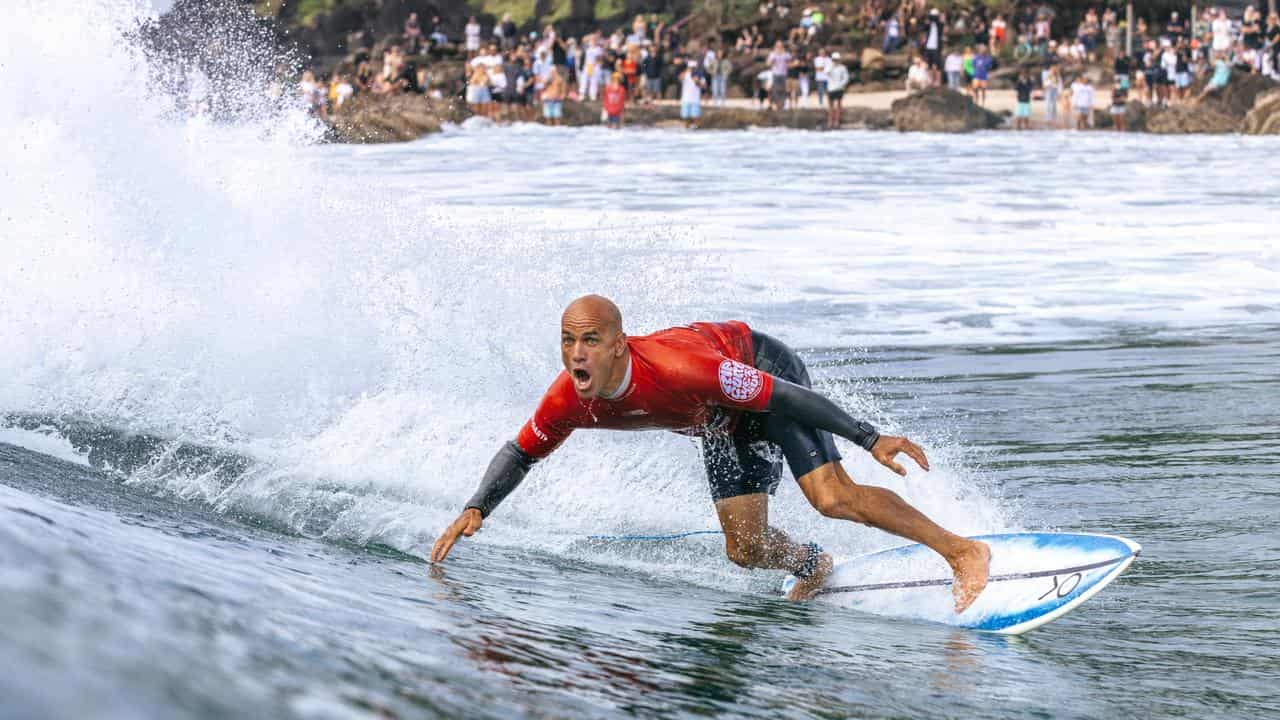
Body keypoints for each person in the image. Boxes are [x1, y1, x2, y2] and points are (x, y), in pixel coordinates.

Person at [431, 296, 993, 611]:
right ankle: (813, 566)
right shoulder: (567, 401)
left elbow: (787, 395)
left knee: (830, 496)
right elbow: (521, 452)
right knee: (744, 549)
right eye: (568, 341)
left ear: (619, 344)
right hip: (720, 422)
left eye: (591, 341)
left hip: (763, 372)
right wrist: (478, 505)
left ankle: (962, 552)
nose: (577, 354)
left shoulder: (682, 370)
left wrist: (870, 437)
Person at [826, 52, 849, 128]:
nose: (835, 61)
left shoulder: (842, 67)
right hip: (830, 88)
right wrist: (832, 66)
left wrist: (841, 85)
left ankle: (837, 121)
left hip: (839, 89)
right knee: (830, 106)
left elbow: (846, 78)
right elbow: (826, 72)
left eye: (836, 59)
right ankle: (830, 121)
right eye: (834, 59)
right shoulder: (829, 67)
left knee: (838, 105)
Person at [767, 41, 791, 111]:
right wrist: (772, 61)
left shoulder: (786, 54)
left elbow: (790, 61)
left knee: (783, 90)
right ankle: (775, 104)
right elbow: (768, 63)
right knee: (775, 90)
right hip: (775, 74)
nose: (779, 47)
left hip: (783, 74)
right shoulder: (773, 54)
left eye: (780, 46)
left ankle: (782, 105)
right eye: (778, 46)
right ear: (775, 46)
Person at [679, 62, 704, 127]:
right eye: (691, 67)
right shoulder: (685, 74)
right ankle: (687, 130)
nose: (692, 69)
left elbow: (703, 86)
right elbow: (680, 78)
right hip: (686, 99)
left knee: (696, 117)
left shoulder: (700, 75)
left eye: (693, 67)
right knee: (685, 117)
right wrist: (687, 71)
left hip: (695, 100)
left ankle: (697, 130)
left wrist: (697, 82)